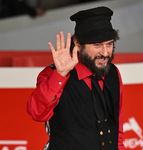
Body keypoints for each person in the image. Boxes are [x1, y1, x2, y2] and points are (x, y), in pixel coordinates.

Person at [27, 6, 124, 150]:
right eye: (97, 45)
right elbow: (37, 113)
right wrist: (60, 75)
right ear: (78, 43)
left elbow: (117, 128)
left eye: (109, 44)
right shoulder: (52, 74)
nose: (105, 53)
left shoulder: (113, 73)